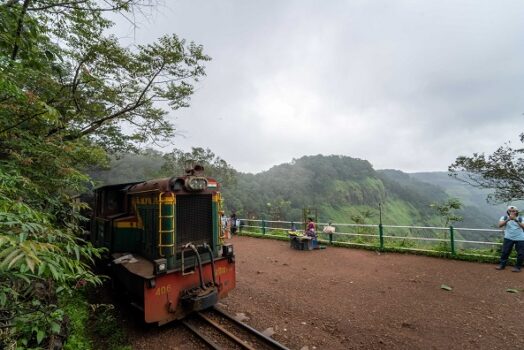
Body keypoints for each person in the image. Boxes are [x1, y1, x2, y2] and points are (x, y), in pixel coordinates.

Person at [496, 205, 524, 272]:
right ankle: (502, 265)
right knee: (505, 252)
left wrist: (516, 220)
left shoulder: (521, 218)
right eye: (510, 211)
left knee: (521, 253)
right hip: (508, 238)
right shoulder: (504, 217)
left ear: (516, 212)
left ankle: (518, 267)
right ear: (508, 211)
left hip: (520, 238)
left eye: (513, 211)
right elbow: (500, 225)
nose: (512, 212)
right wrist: (508, 219)